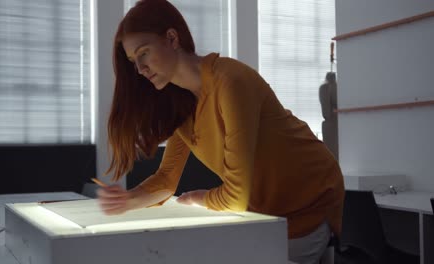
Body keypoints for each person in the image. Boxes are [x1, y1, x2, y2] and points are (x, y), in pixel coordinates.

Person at [98, 0, 344, 263]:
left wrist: (200, 198)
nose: (140, 68)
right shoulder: (182, 106)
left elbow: (235, 197)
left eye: (144, 52)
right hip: (265, 215)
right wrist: (128, 199)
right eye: (134, 60)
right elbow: (167, 179)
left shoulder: (230, 81)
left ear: (171, 38)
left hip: (311, 202)